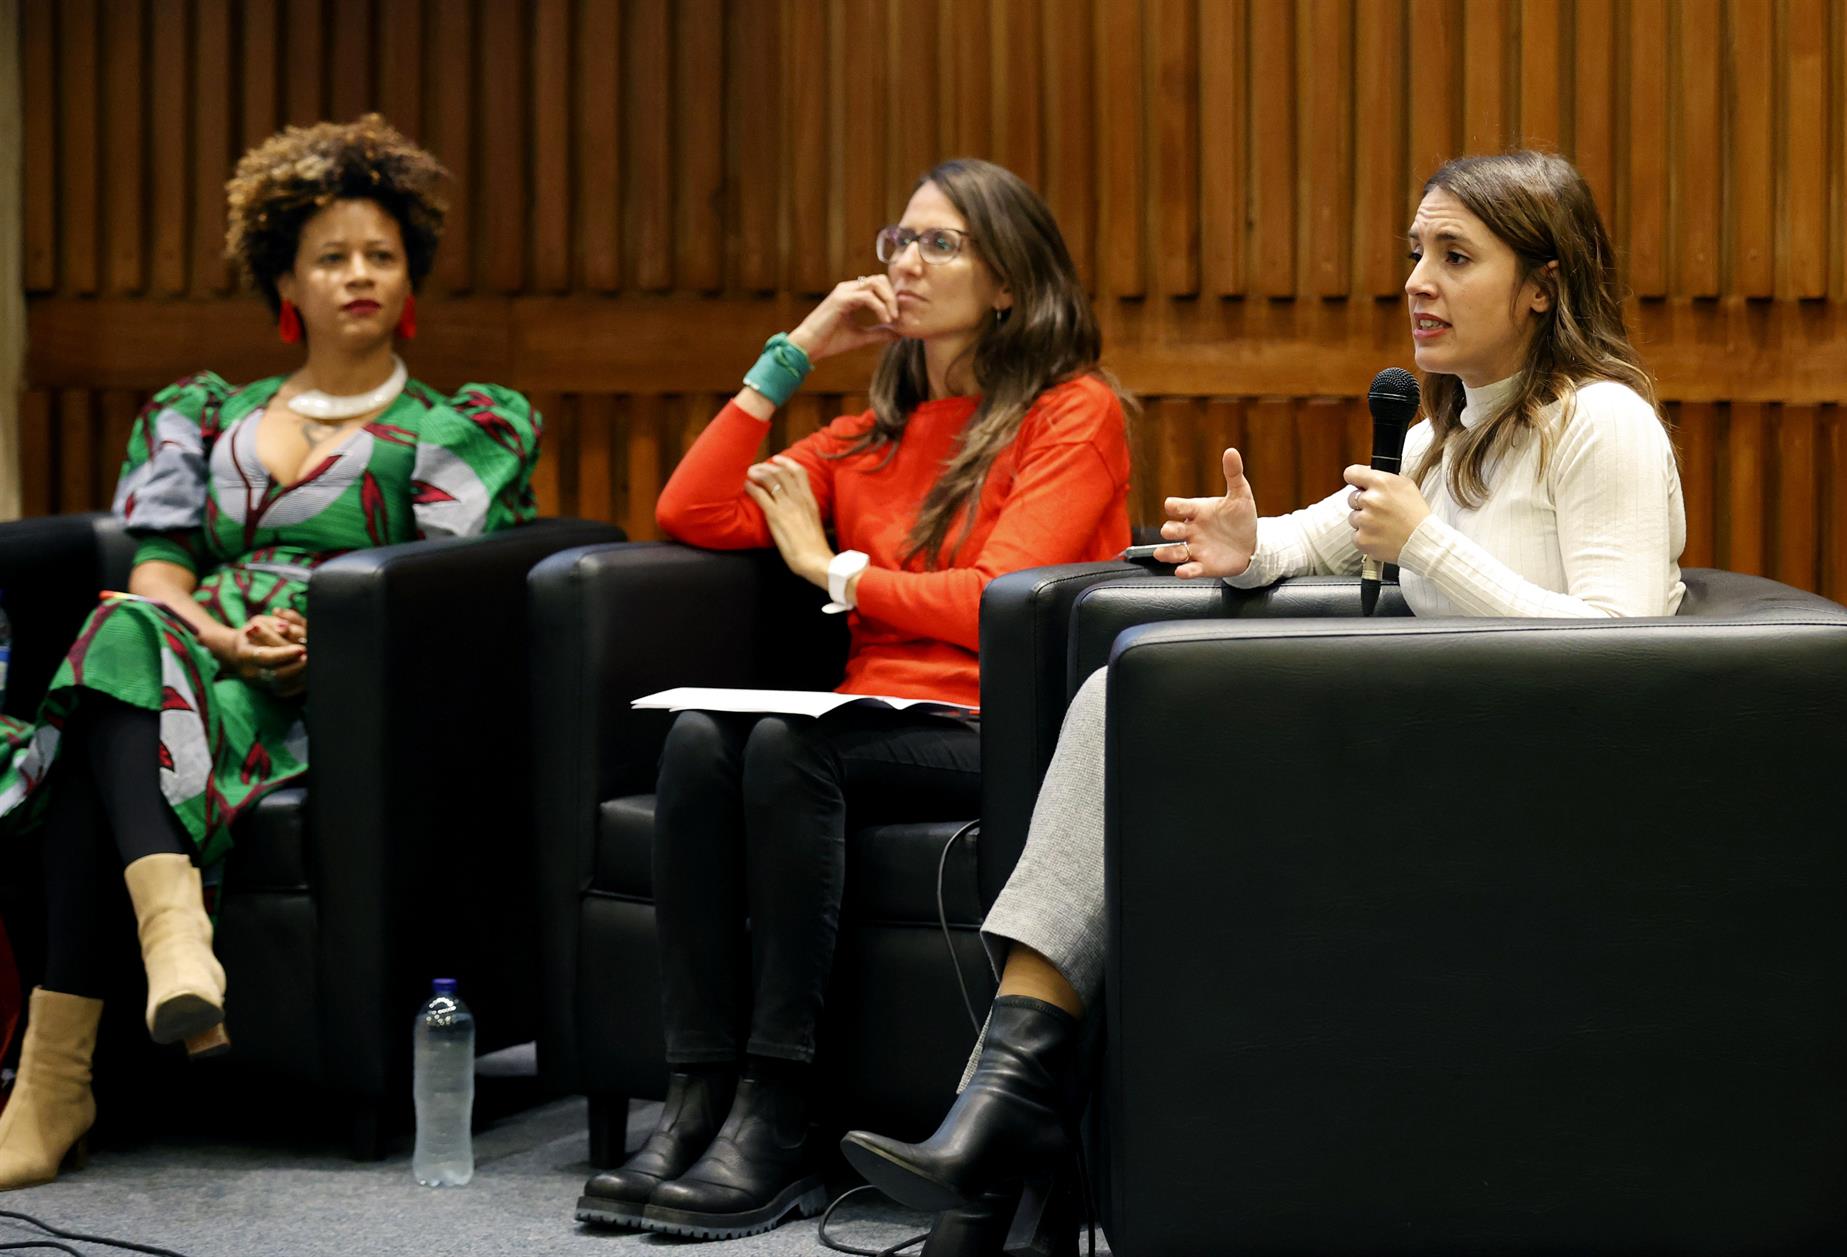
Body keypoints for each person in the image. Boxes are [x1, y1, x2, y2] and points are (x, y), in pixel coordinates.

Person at [841, 149, 1688, 1250]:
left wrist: (1429, 546)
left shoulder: (1602, 422)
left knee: (1136, 725)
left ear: (1543, 285)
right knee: (1122, 702)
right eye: (1416, 253)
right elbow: (1313, 537)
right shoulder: (1441, 438)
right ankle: (1005, 1117)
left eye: (1455, 256)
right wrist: (1246, 543)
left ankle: (1005, 1135)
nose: (1418, 282)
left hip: (1538, 800)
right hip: (1438, 769)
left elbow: (1627, 659)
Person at [573, 158, 1132, 1241]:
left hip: (996, 729)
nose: (907, 263)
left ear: (1008, 282)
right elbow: (691, 508)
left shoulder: (1074, 413)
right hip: (872, 723)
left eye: (941, 243)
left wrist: (831, 569)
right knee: (698, 739)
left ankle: (781, 1113)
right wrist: (798, 348)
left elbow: (996, 603)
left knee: (789, 745)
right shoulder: (872, 435)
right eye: (899, 240)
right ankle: (697, 1099)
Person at [0, 114, 540, 1190]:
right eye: (331, 257)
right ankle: (167, 951)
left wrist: (308, 643)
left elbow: (446, 598)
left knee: (97, 724)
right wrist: (222, 639)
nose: (359, 276)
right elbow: (159, 567)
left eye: (381, 256)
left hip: (344, 683)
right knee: (125, 623)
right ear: (286, 281)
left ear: (410, 278)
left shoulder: (462, 425)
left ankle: (61, 1078)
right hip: (200, 649)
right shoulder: (204, 412)